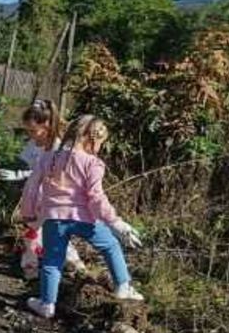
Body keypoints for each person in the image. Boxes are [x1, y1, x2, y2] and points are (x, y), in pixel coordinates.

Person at [21, 115, 144, 319]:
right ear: (91, 139)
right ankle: (123, 286)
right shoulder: (92, 163)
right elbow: (96, 197)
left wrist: (29, 214)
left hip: (54, 218)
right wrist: (115, 222)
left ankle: (47, 304)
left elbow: (32, 187)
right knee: (111, 245)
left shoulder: (48, 158)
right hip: (85, 218)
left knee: (52, 261)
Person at [0, 98, 85, 279]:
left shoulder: (57, 147)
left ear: (46, 125)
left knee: (50, 234)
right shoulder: (34, 144)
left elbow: (52, 176)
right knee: (34, 234)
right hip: (35, 199)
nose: (30, 135)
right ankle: (34, 270)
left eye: (33, 130)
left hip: (52, 200)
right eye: (28, 131)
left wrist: (20, 175)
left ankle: (72, 266)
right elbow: (27, 165)